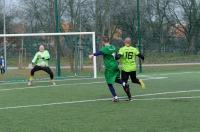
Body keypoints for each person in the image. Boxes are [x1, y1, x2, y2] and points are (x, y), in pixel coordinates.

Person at [89, 36, 131, 102]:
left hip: (110, 67)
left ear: (103, 42)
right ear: (109, 41)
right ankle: (124, 84)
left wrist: (92, 55)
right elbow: (116, 56)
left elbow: (99, 52)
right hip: (115, 65)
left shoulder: (105, 48)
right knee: (116, 79)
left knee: (109, 83)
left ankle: (115, 97)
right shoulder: (113, 47)